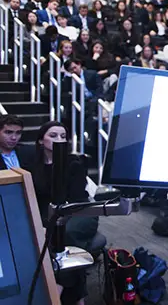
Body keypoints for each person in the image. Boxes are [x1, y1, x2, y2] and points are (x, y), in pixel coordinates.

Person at [31, 122, 104, 305]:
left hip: (80, 212)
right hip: (53, 214)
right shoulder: (34, 166)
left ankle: (57, 288)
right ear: (41, 140)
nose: (59, 140)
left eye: (63, 136)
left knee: (65, 235)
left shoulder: (74, 163)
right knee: (53, 238)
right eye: (53, 136)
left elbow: (77, 200)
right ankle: (79, 298)